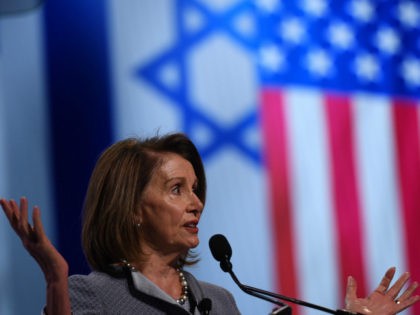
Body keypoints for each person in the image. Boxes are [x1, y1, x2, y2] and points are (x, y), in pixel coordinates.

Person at [0, 133, 419, 315]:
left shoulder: (219, 302)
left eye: (196, 189)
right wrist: (56, 279)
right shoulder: (90, 294)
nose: (197, 203)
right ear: (133, 208)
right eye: (177, 189)